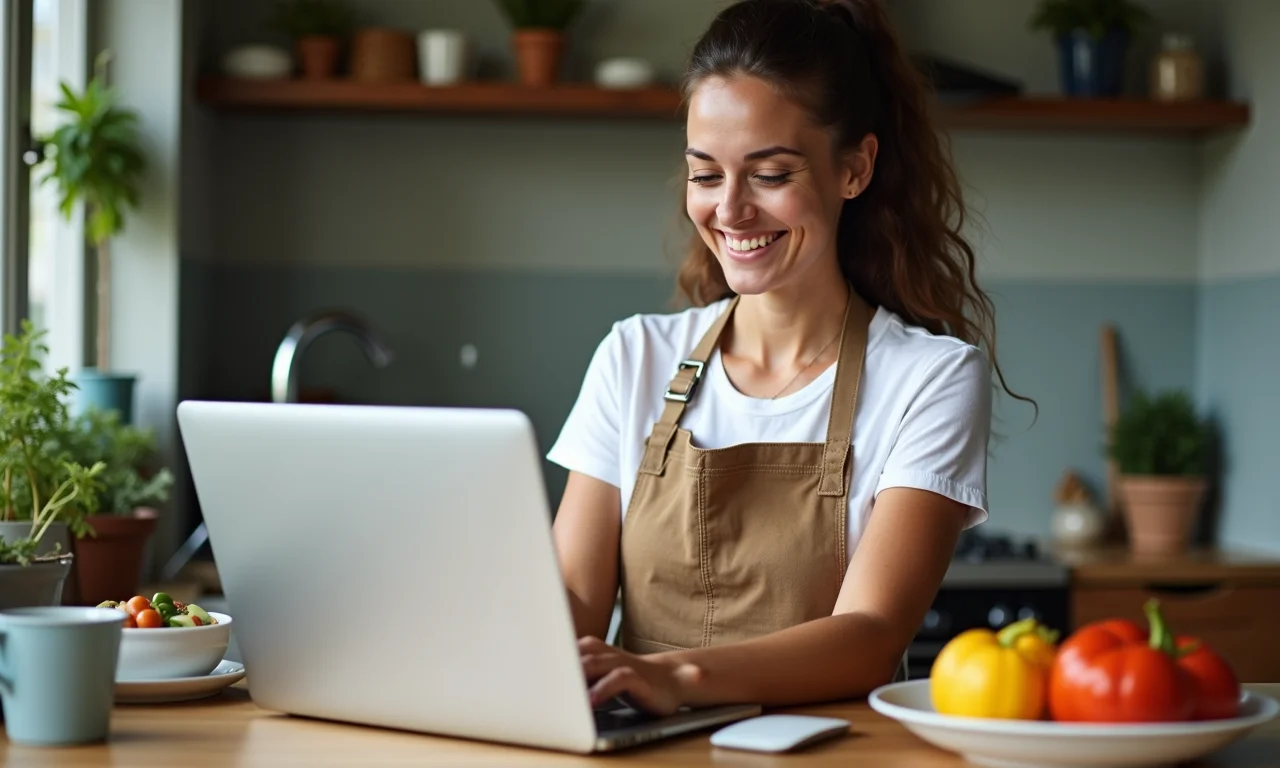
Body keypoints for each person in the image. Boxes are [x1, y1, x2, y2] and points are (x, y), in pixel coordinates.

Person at [546, 0, 1029, 716]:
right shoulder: (634, 356)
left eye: (769, 174)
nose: (730, 211)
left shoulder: (929, 378)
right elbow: (575, 601)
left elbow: (869, 634)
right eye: (705, 175)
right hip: (640, 749)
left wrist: (674, 678)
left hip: (835, 752)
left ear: (855, 168)